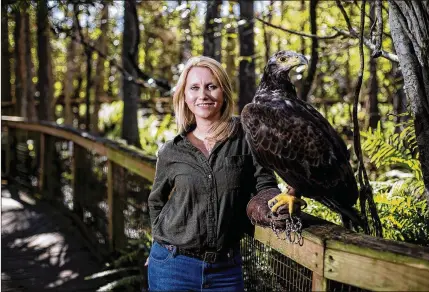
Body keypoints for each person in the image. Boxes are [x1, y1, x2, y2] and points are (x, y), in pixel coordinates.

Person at [147, 56, 285, 291]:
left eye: (211, 86)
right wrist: (158, 248)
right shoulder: (172, 151)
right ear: (185, 97)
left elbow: (265, 183)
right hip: (172, 266)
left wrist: (275, 205)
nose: (203, 95)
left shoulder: (246, 138)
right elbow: (156, 202)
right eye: (194, 88)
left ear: (223, 91)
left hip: (226, 270)